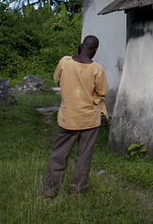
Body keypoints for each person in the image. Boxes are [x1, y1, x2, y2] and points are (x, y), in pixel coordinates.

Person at [41, 35, 108, 198]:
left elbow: (57, 80)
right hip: (89, 120)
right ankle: (77, 191)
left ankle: (49, 191)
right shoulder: (96, 69)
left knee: (59, 155)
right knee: (83, 157)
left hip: (67, 119)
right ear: (94, 50)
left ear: (81, 45)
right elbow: (102, 92)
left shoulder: (64, 62)